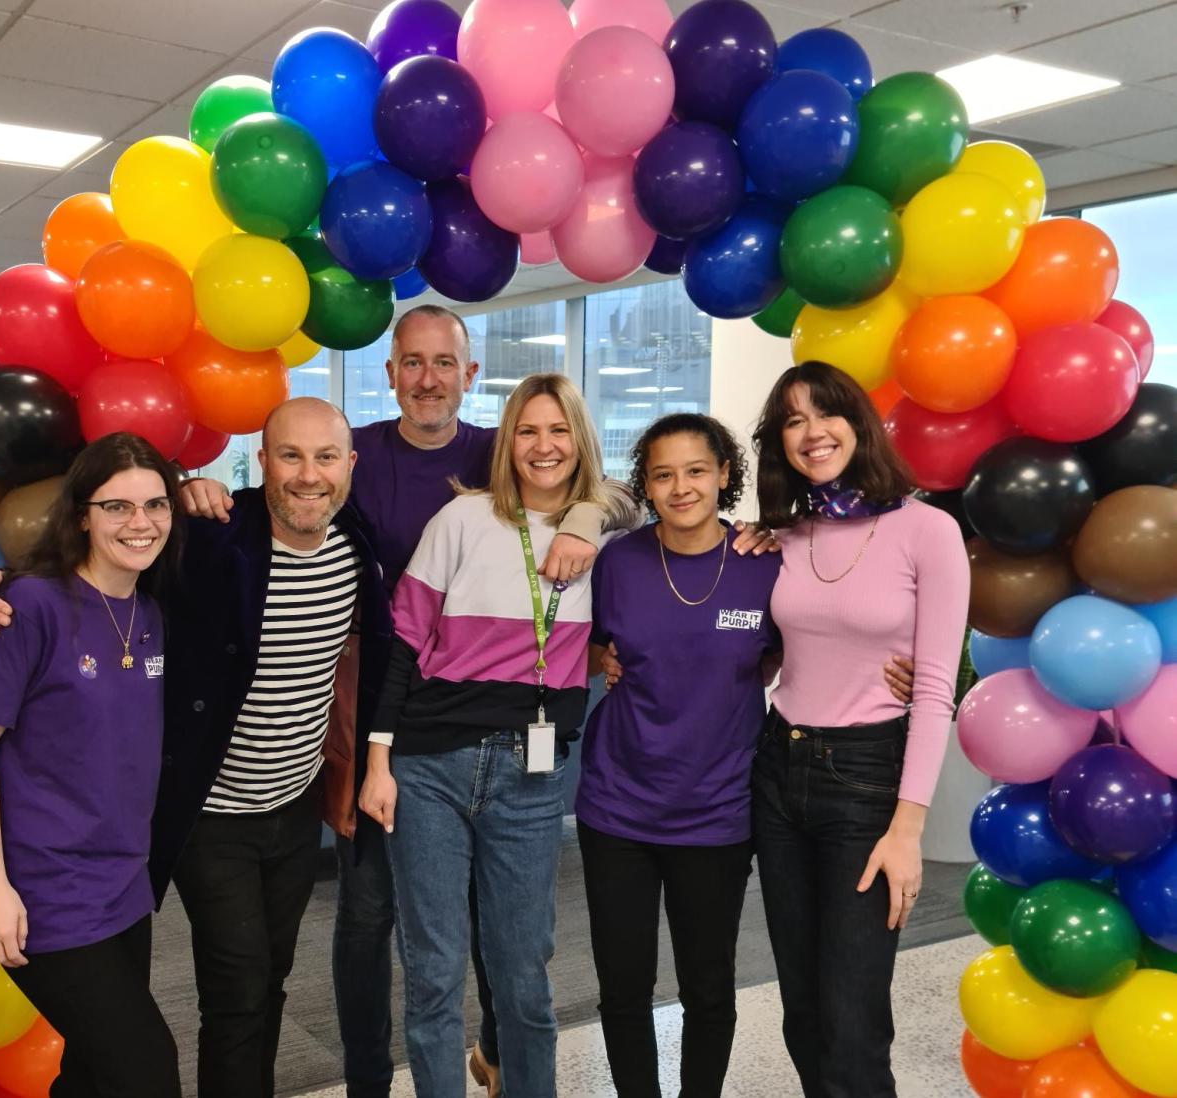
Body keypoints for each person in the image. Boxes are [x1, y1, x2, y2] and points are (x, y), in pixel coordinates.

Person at [179, 305, 623, 1098]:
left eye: (443, 363)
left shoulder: (501, 448)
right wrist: (195, 487)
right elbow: (275, 519)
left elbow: (607, 483)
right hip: (384, 714)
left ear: (469, 375)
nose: (428, 378)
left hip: (514, 738)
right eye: (411, 363)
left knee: (512, 945)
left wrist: (589, 517)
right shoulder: (369, 458)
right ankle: (366, 1083)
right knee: (377, 920)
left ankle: (493, 1053)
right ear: (390, 374)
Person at [0, 399, 392, 1098]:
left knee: (268, 984)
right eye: (290, 455)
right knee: (234, 996)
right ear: (261, 460)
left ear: (350, 466)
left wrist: (358, 764)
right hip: (207, 817)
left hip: (289, 804)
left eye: (325, 457)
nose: (308, 476)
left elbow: (364, 659)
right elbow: (85, 577)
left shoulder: (358, 547)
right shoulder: (217, 541)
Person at [581, 414, 915, 1098]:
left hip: (719, 807)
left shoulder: (767, 561)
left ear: (725, 473)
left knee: (708, 987)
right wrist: (593, 655)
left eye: (696, 470)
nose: (681, 487)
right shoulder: (619, 560)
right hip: (617, 804)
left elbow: (818, 637)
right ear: (645, 483)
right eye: (663, 474)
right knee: (623, 984)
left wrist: (902, 665)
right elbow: (584, 642)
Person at [359, 373, 625, 1097]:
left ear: (581, 440)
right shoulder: (463, 519)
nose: (544, 446)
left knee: (523, 974)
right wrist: (378, 759)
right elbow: (403, 647)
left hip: (532, 777)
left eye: (559, 430)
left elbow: (645, 501)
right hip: (429, 769)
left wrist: (588, 516)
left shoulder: (610, 540)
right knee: (434, 971)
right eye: (529, 431)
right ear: (508, 441)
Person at [749, 361, 969, 1098]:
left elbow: (935, 688)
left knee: (852, 1020)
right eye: (793, 420)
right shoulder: (783, 533)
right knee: (802, 1012)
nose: (812, 433)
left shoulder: (927, 529)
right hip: (779, 767)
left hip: (868, 779)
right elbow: (770, 649)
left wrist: (908, 830)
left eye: (826, 413)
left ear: (860, 423)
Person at [0, 432, 185, 1097]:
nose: (140, 523)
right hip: (44, 893)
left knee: (92, 1076)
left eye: (155, 504)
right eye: (117, 507)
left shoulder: (150, 612)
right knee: (146, 1073)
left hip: (123, 886)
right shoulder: (25, 607)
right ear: (82, 513)